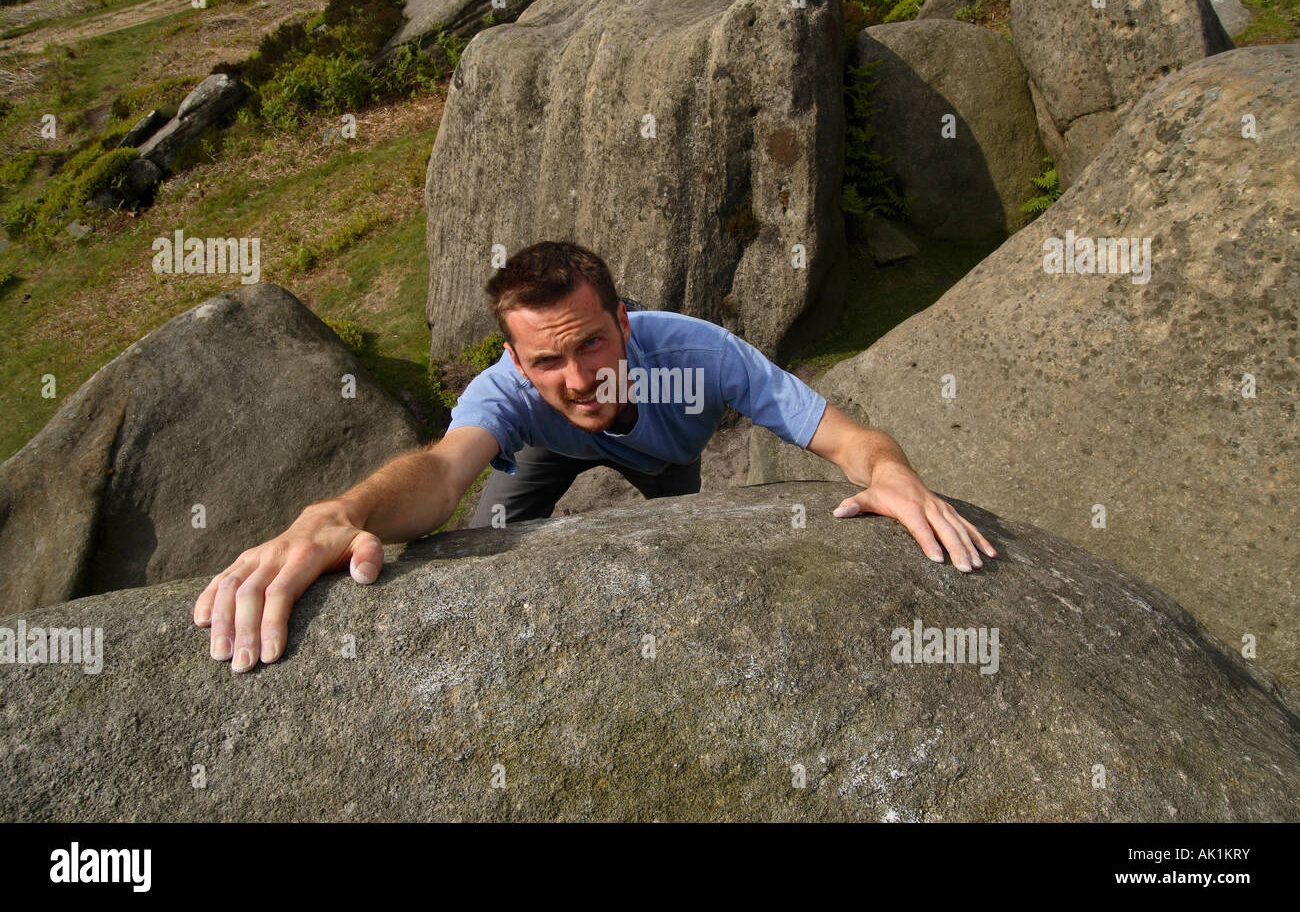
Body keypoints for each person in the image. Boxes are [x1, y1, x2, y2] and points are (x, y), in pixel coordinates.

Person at [195, 241, 996, 673]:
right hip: (537, 455)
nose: (579, 381)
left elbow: (846, 436)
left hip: (664, 461)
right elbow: (441, 471)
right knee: (480, 542)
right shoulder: (502, 393)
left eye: (592, 345)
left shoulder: (699, 352)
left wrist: (892, 475)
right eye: (546, 362)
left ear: (625, 318)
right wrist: (341, 513)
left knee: (688, 552)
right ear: (512, 358)